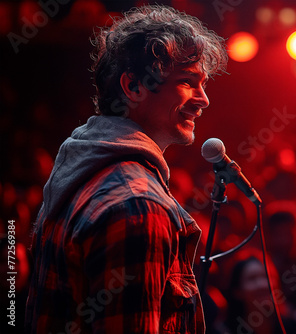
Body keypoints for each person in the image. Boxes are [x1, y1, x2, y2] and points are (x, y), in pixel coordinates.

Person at [25, 5, 227, 333]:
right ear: (133, 88)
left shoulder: (80, 170)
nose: (203, 99)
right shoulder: (138, 206)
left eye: (203, 84)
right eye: (188, 81)